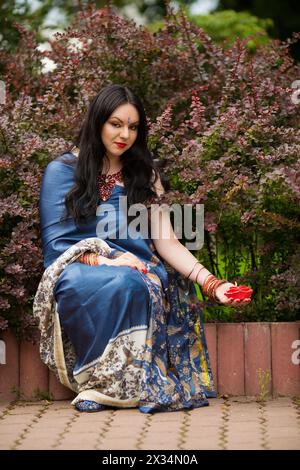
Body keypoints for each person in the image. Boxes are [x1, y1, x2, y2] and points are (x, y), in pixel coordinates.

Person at [33, 83, 251, 414]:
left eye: (133, 127)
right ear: (98, 122)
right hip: (78, 272)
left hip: (137, 270)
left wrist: (212, 283)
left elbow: (167, 242)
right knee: (118, 280)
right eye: (116, 124)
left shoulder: (144, 175)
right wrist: (108, 260)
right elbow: (56, 249)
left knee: (137, 280)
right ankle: (100, 382)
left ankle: (129, 386)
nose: (125, 134)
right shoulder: (61, 172)